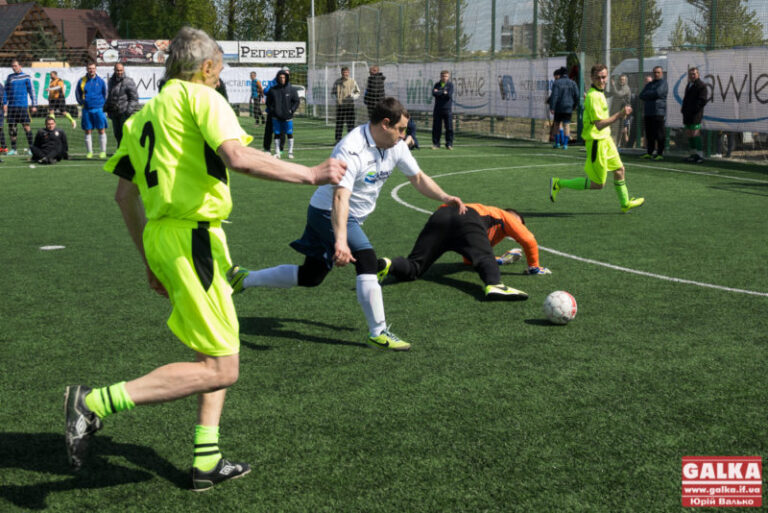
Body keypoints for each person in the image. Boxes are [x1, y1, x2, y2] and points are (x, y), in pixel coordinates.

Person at [65, 26, 346, 491]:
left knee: (214, 350)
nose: (221, 76)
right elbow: (237, 157)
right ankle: (93, 403)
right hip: (192, 237)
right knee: (222, 367)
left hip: (167, 238)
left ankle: (206, 459)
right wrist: (311, 174)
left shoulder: (143, 115)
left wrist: (150, 262)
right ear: (208, 66)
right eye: (220, 68)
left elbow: (123, 196)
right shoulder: (203, 98)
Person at [228, 97, 465, 351]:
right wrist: (341, 241)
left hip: (341, 215)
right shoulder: (351, 148)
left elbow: (417, 177)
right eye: (400, 129)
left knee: (311, 276)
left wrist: (445, 197)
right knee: (367, 258)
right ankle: (378, 332)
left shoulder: (396, 145)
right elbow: (340, 197)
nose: (403, 135)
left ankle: (245, 278)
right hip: (327, 213)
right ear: (385, 124)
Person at [377, 203, 551, 301]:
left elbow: (470, 258)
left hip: (441, 215)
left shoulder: (490, 230)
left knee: (414, 267)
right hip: (466, 216)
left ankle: (389, 264)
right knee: (485, 258)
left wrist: (498, 260)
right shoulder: (502, 215)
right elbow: (528, 239)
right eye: (518, 225)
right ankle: (495, 284)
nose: (516, 229)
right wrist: (534, 267)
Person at [549, 64, 644, 213]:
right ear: (592, 78)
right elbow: (599, 125)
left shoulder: (599, 93)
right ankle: (559, 183)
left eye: (604, 77)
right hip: (597, 143)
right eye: (598, 78)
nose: (601, 80)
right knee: (598, 184)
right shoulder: (593, 96)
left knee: (619, 170)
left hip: (606, 140)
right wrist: (620, 114)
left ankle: (625, 203)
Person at [75, 62, 108, 159]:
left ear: (95, 69)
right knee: (87, 130)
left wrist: (102, 105)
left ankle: (103, 152)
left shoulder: (101, 81)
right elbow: (77, 94)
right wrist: (82, 103)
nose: (91, 70)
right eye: (89, 68)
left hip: (99, 109)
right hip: (86, 109)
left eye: (93, 68)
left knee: (101, 129)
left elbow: (105, 94)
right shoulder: (81, 81)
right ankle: (90, 152)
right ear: (87, 69)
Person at [4, 60, 38, 156]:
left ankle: (31, 148)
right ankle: (14, 149)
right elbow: (6, 91)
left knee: (26, 127)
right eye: (12, 66)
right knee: (12, 128)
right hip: (11, 107)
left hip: (22, 106)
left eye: (15, 66)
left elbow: (32, 91)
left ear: (20, 66)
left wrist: (34, 105)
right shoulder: (10, 77)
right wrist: (5, 103)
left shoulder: (26, 77)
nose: (13, 67)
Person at [266, 69, 299, 159]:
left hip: (288, 117)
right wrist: (273, 111)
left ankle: (290, 152)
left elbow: (296, 101)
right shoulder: (273, 90)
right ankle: (277, 152)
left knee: (289, 134)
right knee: (276, 134)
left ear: (286, 78)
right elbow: (268, 102)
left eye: (284, 77)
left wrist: (292, 110)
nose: (282, 79)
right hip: (276, 117)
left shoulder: (292, 89)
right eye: (280, 77)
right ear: (277, 78)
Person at [105, 63, 139, 145]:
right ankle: (120, 151)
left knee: (126, 135)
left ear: (123, 70)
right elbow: (110, 96)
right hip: (114, 114)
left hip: (125, 113)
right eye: (117, 70)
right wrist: (109, 110)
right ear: (114, 70)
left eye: (121, 70)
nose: (119, 72)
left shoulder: (128, 81)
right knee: (117, 135)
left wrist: (128, 111)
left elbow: (134, 98)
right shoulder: (111, 81)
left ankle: (128, 151)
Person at [639, 66, 668, 160]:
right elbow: (641, 95)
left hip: (658, 112)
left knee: (659, 134)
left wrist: (649, 94)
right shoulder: (650, 84)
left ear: (661, 73)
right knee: (649, 134)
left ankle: (660, 153)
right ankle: (649, 152)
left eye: (658, 72)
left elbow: (658, 93)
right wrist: (652, 94)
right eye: (655, 72)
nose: (656, 74)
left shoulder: (663, 83)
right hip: (648, 112)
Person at [681, 66, 708, 164]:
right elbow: (686, 99)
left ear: (698, 74)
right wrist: (684, 110)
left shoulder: (701, 85)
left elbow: (702, 101)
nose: (692, 76)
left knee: (695, 134)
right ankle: (693, 155)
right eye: (690, 74)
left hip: (695, 114)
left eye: (694, 74)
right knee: (689, 134)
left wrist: (694, 110)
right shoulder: (689, 84)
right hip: (687, 114)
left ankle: (700, 156)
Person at [548, 67, 579, 150]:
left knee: (557, 125)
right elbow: (577, 95)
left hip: (559, 107)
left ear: (560, 74)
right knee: (566, 125)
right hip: (568, 107)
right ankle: (565, 144)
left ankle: (557, 143)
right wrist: (574, 105)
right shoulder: (573, 83)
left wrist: (552, 107)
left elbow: (554, 96)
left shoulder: (557, 83)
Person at [332, 66, 360, 142]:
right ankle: (338, 140)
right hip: (340, 106)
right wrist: (336, 99)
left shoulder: (353, 81)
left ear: (349, 73)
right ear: (341, 73)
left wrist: (353, 96)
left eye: (346, 72)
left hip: (349, 106)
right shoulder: (337, 82)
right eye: (344, 72)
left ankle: (351, 141)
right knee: (339, 124)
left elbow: (358, 92)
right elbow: (333, 93)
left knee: (350, 124)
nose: (345, 74)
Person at [431, 70, 454, 150]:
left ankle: (449, 144)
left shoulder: (450, 85)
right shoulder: (437, 84)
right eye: (443, 76)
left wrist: (439, 92)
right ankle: (436, 144)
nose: (444, 78)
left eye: (446, 76)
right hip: (437, 109)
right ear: (440, 77)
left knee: (449, 128)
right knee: (436, 127)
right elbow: (434, 93)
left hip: (447, 109)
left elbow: (449, 95)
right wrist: (443, 92)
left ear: (448, 77)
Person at [608, 74, 631, 149]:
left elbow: (618, 94)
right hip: (615, 111)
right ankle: (613, 145)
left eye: (623, 79)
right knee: (613, 128)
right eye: (620, 79)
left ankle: (618, 145)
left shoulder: (626, 88)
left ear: (626, 81)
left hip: (622, 112)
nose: (621, 81)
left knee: (620, 130)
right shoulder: (618, 87)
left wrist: (613, 85)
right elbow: (609, 94)